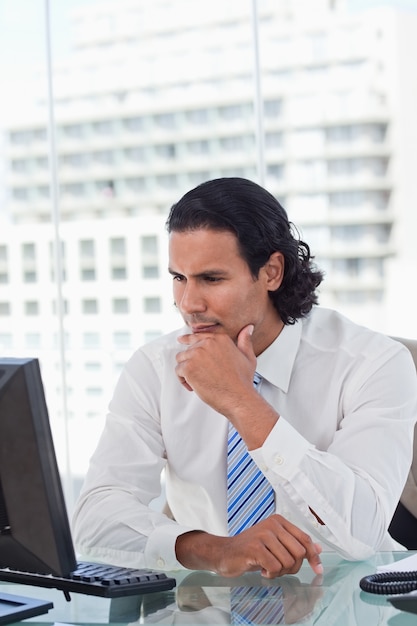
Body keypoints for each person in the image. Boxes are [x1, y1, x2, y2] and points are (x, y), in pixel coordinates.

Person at [72, 177, 417, 579]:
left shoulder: (374, 362)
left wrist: (241, 401)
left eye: (211, 279)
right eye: (179, 278)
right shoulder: (155, 366)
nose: (188, 304)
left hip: (352, 598)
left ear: (271, 272)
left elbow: (360, 533)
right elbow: (94, 520)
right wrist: (215, 551)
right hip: (208, 605)